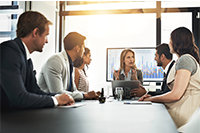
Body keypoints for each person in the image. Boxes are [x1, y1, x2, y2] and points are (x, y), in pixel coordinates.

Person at [0, 11, 74, 110]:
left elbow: (34, 91)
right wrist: (56, 100)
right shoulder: (9, 52)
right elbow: (18, 98)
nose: (46, 41)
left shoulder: (25, 57)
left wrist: (59, 97)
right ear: (35, 33)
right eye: (46, 35)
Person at [139, 27, 200, 128]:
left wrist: (150, 99)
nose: (169, 43)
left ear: (176, 42)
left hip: (186, 115)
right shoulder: (185, 59)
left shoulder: (185, 60)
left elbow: (175, 95)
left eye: (170, 40)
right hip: (189, 114)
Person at [38, 32, 99, 100]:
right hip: (47, 108)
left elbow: (74, 90)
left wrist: (89, 95)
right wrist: (85, 95)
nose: (84, 50)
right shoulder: (55, 61)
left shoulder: (70, 63)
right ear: (77, 48)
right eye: (83, 47)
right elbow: (57, 93)